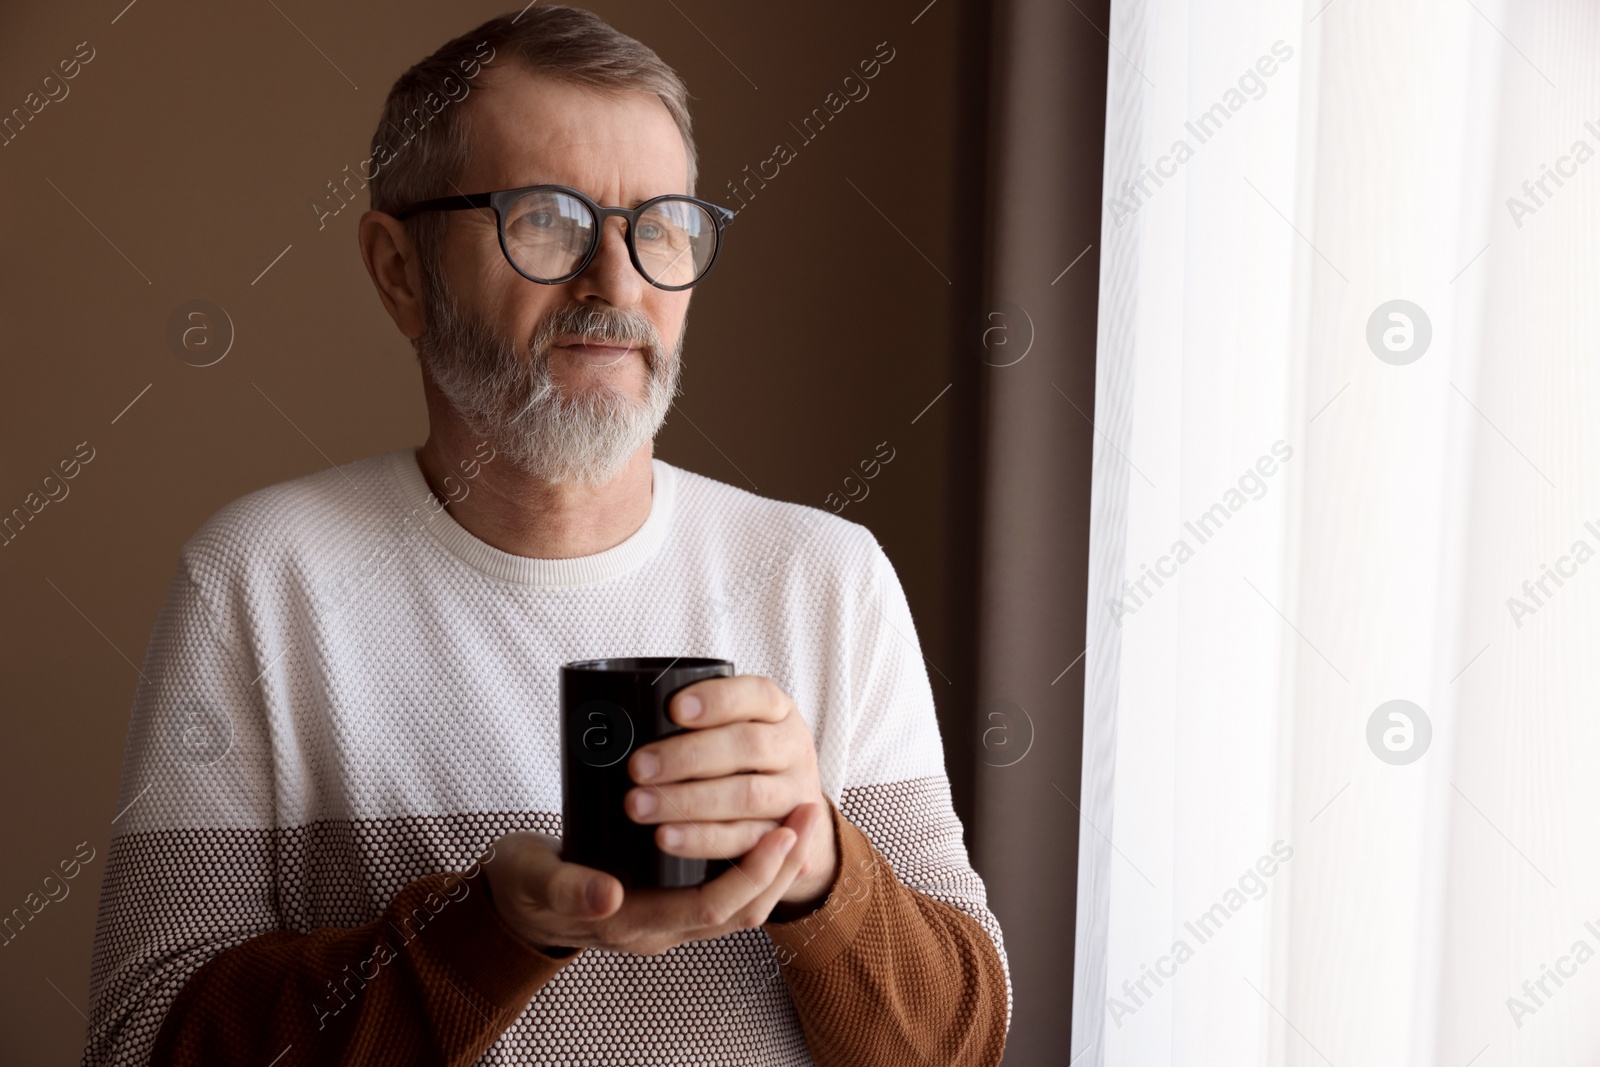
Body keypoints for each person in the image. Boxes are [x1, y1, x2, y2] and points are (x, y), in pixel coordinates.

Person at [82, 7, 1009, 1065]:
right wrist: (490, 932)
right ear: (398, 269)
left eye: (657, 224)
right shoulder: (258, 579)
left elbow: (960, 1042)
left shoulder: (825, 579)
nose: (615, 285)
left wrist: (823, 873)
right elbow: (145, 1042)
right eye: (548, 218)